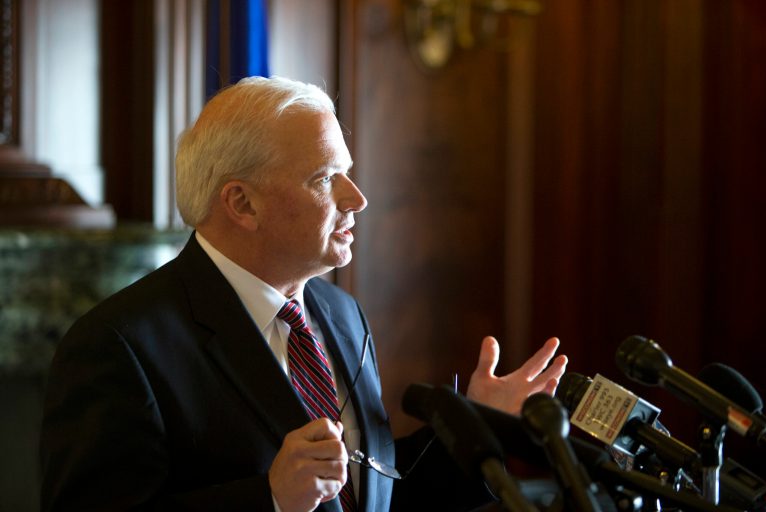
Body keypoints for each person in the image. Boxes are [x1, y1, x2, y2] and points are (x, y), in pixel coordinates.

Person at [39, 76, 567, 511]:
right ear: (242, 204)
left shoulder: (341, 313)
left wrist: (476, 429)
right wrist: (267, 499)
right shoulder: (119, 344)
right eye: (325, 178)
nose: (356, 198)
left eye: (349, 174)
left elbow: (373, 492)